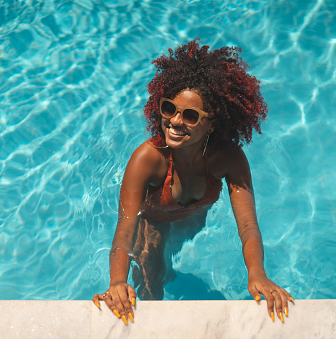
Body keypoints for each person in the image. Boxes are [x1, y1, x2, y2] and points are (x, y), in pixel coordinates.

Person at [92, 39, 293, 325]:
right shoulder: (148, 159)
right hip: (151, 223)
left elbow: (248, 225)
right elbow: (125, 227)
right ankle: (162, 277)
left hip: (192, 220)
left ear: (212, 123)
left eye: (189, 115)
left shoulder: (228, 159)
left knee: (165, 267)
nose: (175, 121)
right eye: (168, 108)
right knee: (151, 292)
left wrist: (257, 274)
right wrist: (116, 282)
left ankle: (169, 274)